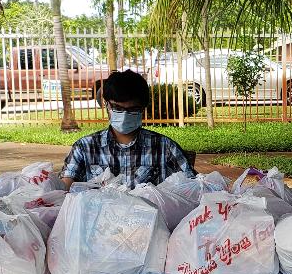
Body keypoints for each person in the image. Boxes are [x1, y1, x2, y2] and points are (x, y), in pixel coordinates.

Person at [60, 70, 196, 190]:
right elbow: (64, 187)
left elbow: (193, 187)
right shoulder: (85, 147)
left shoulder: (164, 147)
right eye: (117, 108)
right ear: (106, 105)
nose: (124, 115)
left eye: (132, 109)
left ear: (142, 108)